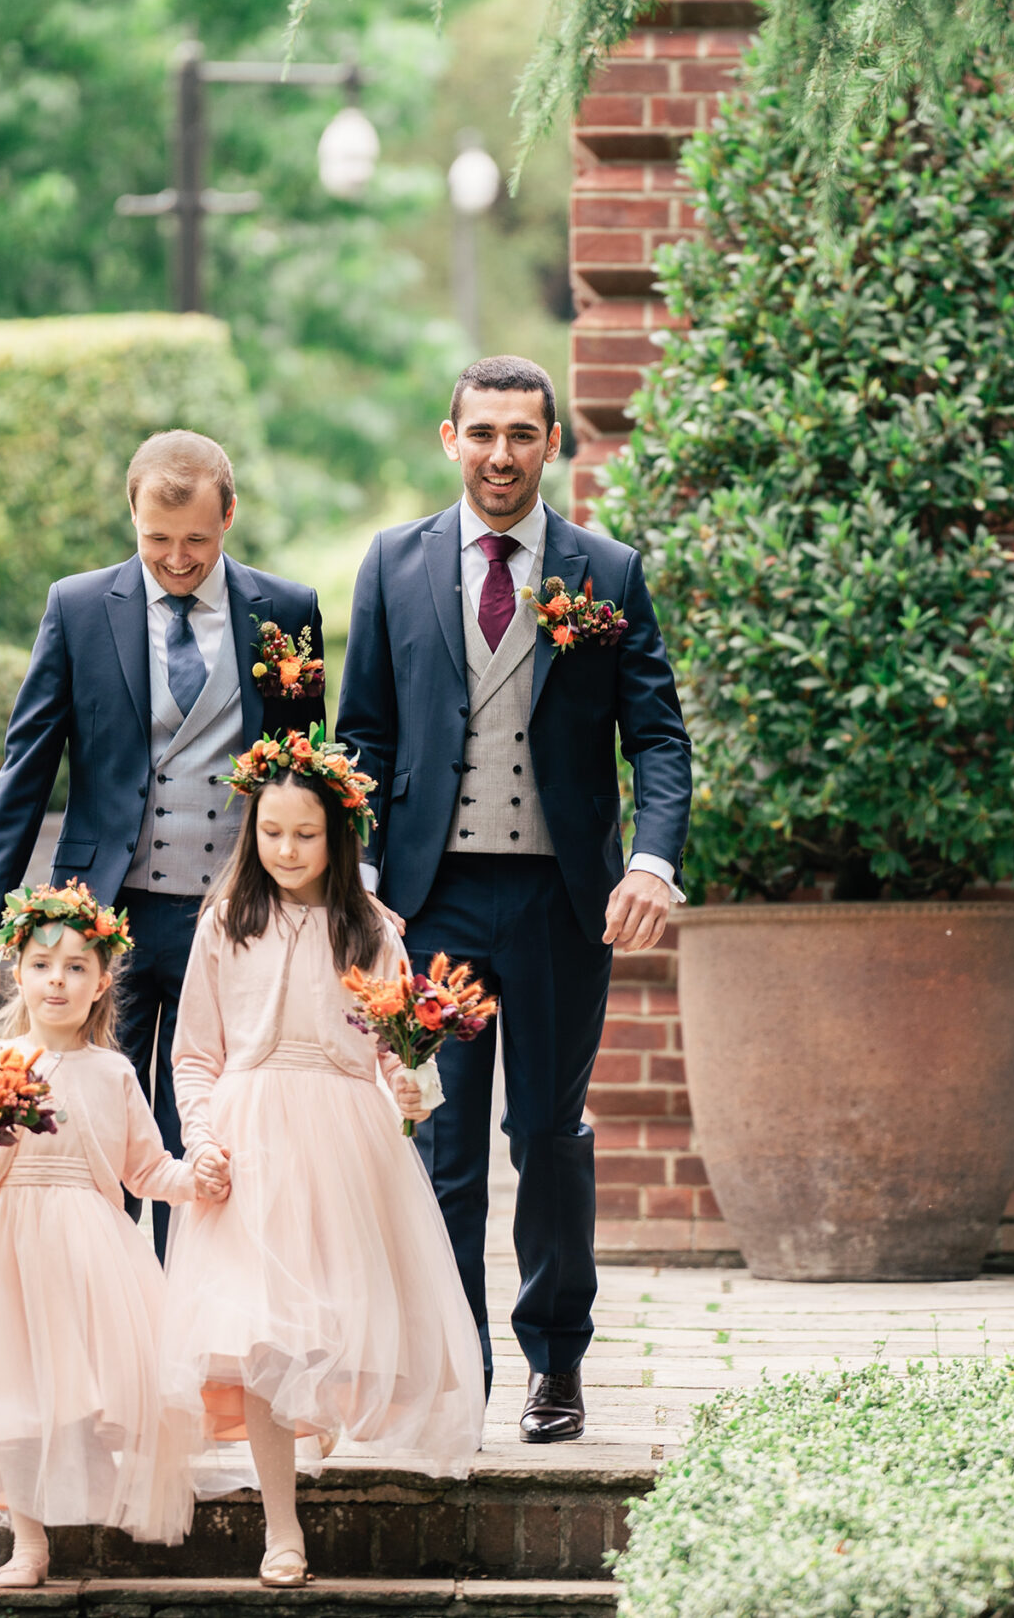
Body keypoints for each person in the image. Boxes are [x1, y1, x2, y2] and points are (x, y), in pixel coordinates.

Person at [336, 355, 692, 1444]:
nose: (500, 455)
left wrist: (652, 862)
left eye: (522, 435)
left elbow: (659, 739)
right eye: (481, 432)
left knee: (547, 1135)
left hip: (557, 904)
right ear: (450, 438)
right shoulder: (391, 564)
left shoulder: (607, 570)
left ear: (552, 444)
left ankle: (555, 1366)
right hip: (428, 907)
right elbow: (363, 736)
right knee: (442, 1148)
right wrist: (354, 876)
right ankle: (455, 1373)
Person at [0, 429, 324, 1254]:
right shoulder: (78, 608)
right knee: (95, 1133)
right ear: (132, 516)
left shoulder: (286, 614)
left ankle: (196, 1331)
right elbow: (23, 777)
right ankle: (113, 1327)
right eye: (157, 540)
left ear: (229, 515)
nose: (177, 559)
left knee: (212, 1133)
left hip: (237, 922)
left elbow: (309, 781)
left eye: (196, 539)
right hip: (103, 926)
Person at [163, 731, 486, 1588]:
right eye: (271, 833)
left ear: (339, 835)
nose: (287, 850)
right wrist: (201, 1134)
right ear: (251, 830)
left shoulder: (373, 929)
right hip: (250, 1138)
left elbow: (397, 1045)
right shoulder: (226, 921)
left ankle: (323, 1432)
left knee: (339, 1323)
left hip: (344, 1142)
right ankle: (281, 1525)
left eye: (305, 834)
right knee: (263, 1335)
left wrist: (417, 1085)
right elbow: (195, 1051)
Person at [0, 883, 226, 1586]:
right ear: (18, 971)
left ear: (103, 981)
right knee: (12, 1393)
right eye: (44, 964)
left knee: (94, 1385)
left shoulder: (113, 1071)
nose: (59, 979)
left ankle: (100, 1493)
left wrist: (194, 1179)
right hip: (1, 1247)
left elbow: (146, 1166)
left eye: (78, 966)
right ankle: (28, 1539)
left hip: (88, 1250)